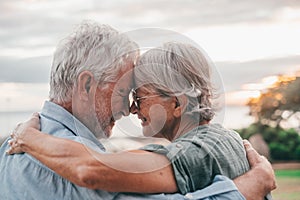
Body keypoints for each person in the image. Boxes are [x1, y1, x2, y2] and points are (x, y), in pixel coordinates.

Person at [4, 32, 276, 200]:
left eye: (138, 97)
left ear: (177, 104)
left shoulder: (8, 151)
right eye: (124, 92)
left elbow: (92, 168)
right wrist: (247, 188)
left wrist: (28, 137)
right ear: (87, 86)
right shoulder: (59, 160)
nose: (129, 109)